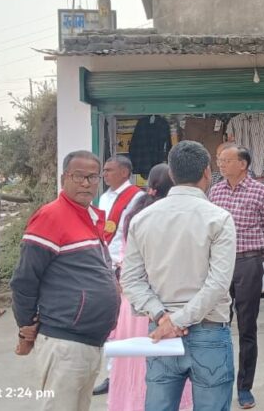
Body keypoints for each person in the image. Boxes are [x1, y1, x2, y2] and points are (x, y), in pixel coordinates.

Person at [122, 140, 237, 411]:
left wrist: (163, 317)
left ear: (172, 174)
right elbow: (218, 284)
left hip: (161, 332)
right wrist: (177, 320)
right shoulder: (218, 218)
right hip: (208, 331)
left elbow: (130, 280)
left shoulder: (142, 219)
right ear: (207, 172)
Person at [10, 150, 120, 411]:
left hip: (89, 340)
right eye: (78, 176)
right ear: (64, 179)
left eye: (92, 177)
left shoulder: (90, 216)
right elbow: (25, 279)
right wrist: (26, 325)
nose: (86, 183)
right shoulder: (51, 216)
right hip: (65, 342)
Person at [108, 163, 192, 411]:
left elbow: (126, 259)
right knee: (165, 357)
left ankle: (131, 404)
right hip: (164, 300)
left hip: (135, 299)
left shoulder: (135, 214)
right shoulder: (175, 217)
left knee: (135, 358)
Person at [208, 144, 264, 409]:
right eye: (219, 160)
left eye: (226, 160)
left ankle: (244, 387)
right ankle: (218, 382)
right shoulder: (215, 191)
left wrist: (257, 259)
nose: (221, 164)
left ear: (243, 164)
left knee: (247, 327)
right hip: (219, 266)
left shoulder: (260, 191)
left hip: (248, 263)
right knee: (217, 325)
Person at [94, 155, 145, 396]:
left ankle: (124, 373)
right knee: (109, 323)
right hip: (104, 264)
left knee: (123, 323)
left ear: (125, 172)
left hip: (125, 267)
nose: (104, 174)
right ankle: (111, 374)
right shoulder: (104, 198)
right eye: (104, 170)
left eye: (109, 170)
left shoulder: (136, 197)